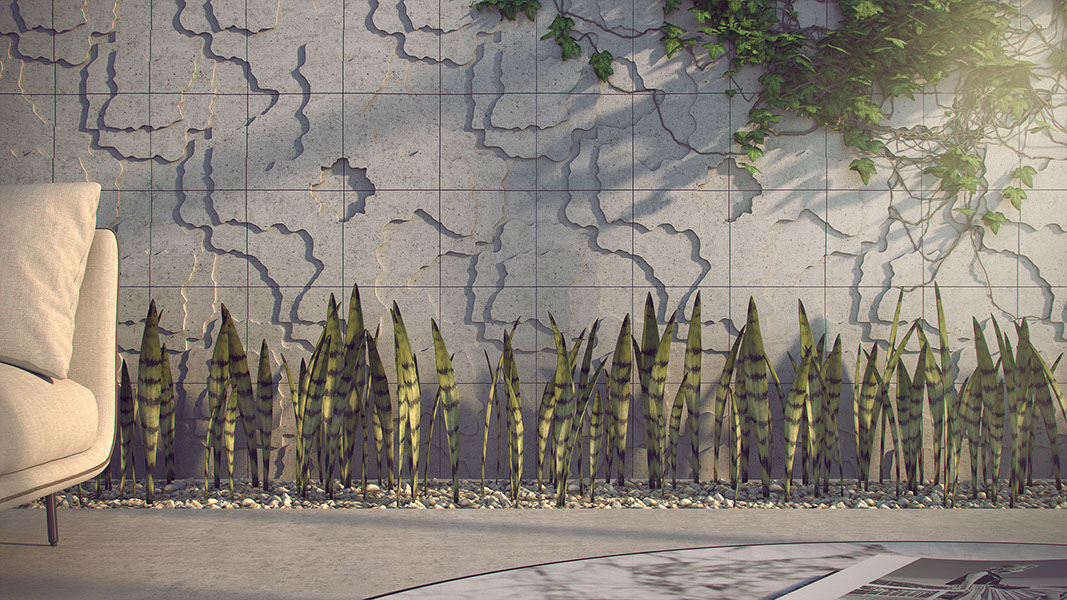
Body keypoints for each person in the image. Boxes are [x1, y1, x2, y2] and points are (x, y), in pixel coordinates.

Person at [946, 564, 1046, 600]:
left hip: (985, 589)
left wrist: (1025, 567)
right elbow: (970, 579)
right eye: (1010, 570)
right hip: (974, 589)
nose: (1009, 572)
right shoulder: (983, 572)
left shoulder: (996, 576)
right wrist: (964, 589)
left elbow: (995, 584)